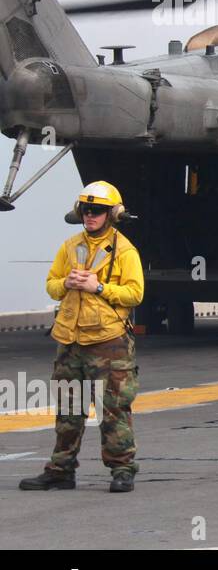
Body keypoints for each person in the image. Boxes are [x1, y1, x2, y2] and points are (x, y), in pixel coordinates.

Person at [20, 182, 145, 493]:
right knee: (67, 410)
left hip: (108, 342)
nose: (90, 216)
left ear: (112, 214)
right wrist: (67, 283)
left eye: (98, 210)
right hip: (70, 340)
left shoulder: (125, 251)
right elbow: (51, 284)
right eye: (86, 210)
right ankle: (61, 470)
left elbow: (135, 293)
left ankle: (122, 469)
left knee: (113, 408)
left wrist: (99, 287)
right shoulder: (70, 246)